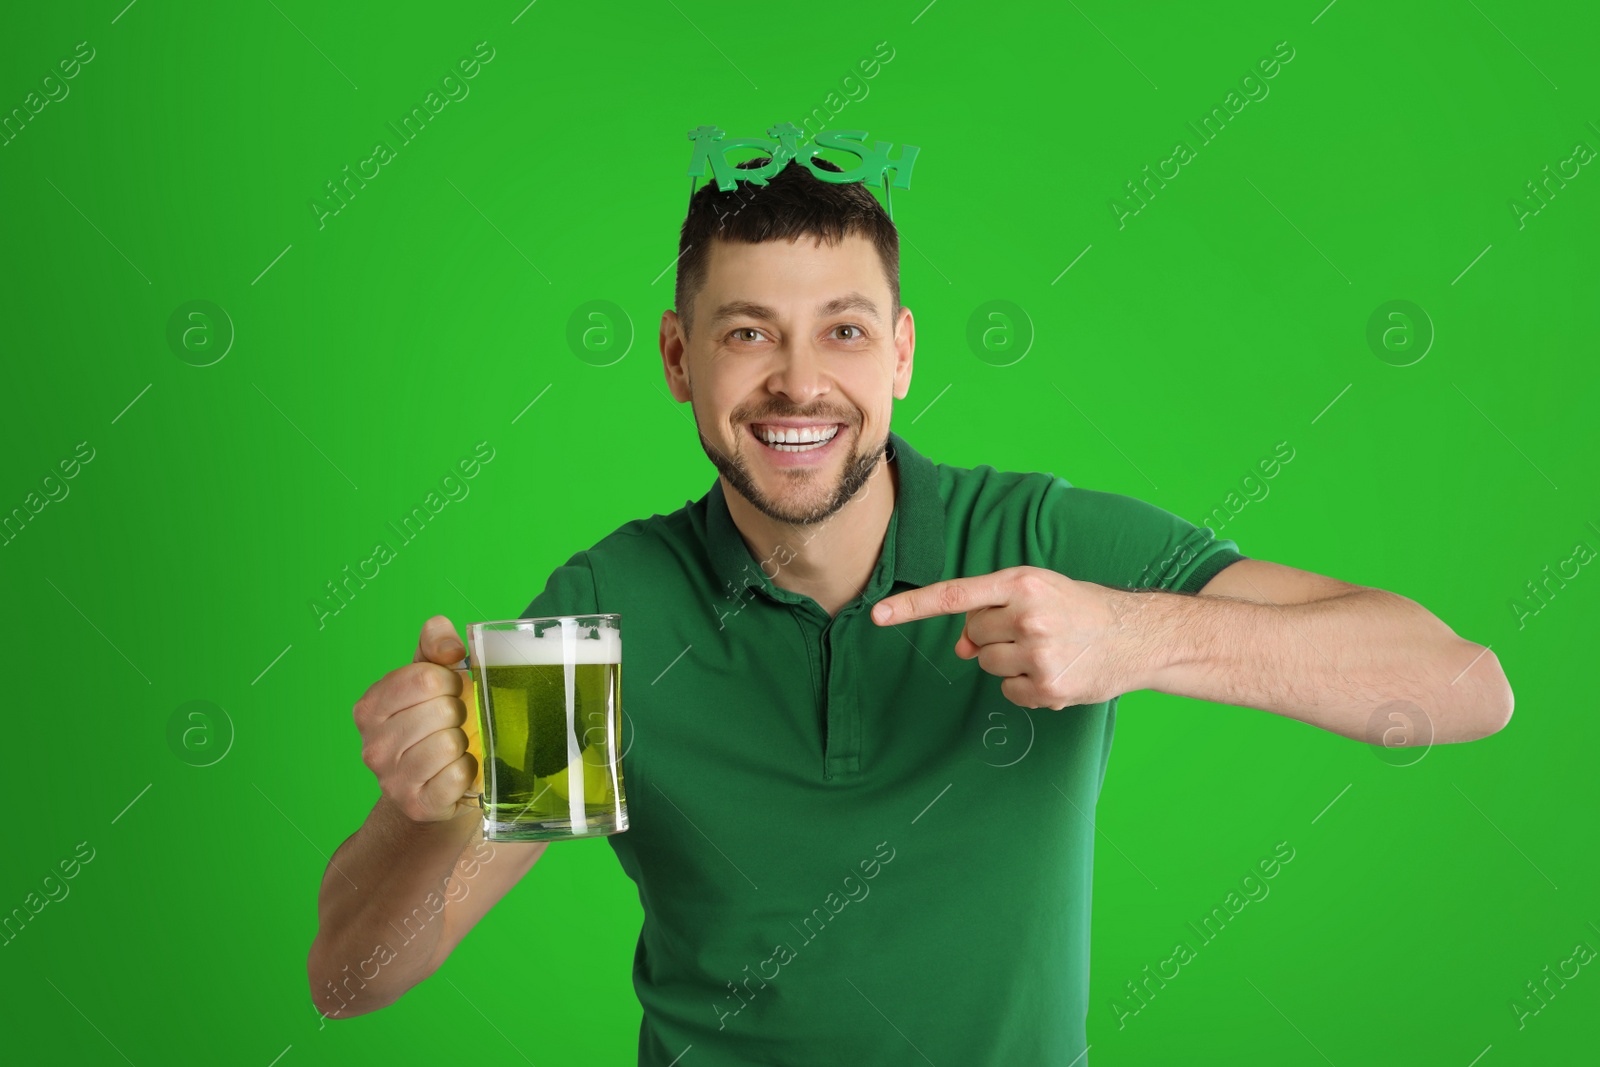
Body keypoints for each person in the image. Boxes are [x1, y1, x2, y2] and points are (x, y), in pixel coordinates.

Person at [306, 154, 1514, 1064]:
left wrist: (1133, 634)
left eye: (842, 329)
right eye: (747, 333)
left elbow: (1462, 686)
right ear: (680, 360)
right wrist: (433, 814)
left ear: (899, 354)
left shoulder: (1034, 540)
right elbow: (353, 978)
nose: (797, 380)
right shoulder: (610, 613)